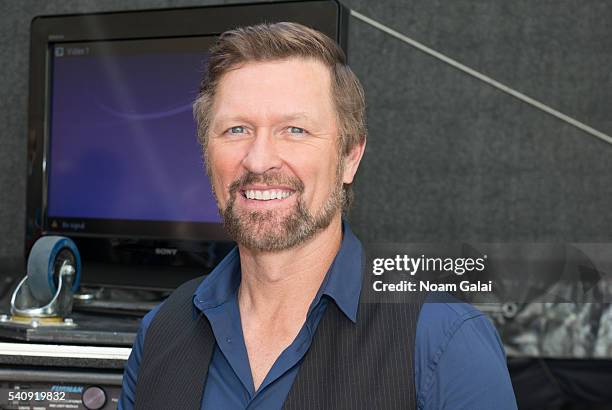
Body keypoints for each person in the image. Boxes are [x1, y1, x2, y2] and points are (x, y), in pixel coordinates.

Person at [119, 22, 517, 409]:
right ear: (207, 155)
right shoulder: (160, 332)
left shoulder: (444, 342)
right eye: (237, 129)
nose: (259, 160)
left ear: (349, 157)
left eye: (294, 130)